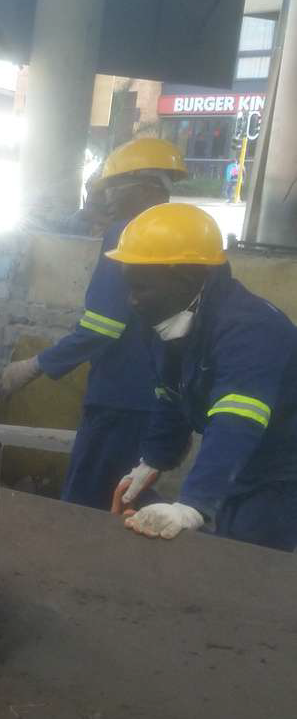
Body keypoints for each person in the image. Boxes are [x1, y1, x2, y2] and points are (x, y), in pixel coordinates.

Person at [0, 138, 186, 510]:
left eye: (113, 188)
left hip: (120, 397)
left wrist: (35, 365)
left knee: (86, 498)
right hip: (162, 396)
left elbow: (103, 326)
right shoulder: (181, 236)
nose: (106, 199)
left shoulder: (128, 233)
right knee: (127, 492)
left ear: (145, 187)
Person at [110, 202, 297, 550]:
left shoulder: (251, 329)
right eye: (129, 287)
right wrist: (154, 460)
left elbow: (237, 421)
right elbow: (171, 396)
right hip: (241, 465)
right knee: (226, 548)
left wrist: (194, 504)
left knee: (249, 559)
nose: (132, 301)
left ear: (187, 279)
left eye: (142, 287)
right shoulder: (167, 319)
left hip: (282, 471)